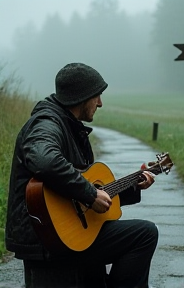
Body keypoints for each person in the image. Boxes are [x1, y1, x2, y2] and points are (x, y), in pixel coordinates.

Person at [5, 63, 158, 288]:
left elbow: (90, 194)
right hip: (47, 240)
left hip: (63, 234)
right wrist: (89, 194)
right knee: (144, 234)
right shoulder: (47, 123)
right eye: (97, 96)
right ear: (82, 96)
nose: (100, 103)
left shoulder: (69, 124)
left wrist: (134, 185)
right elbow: (44, 160)